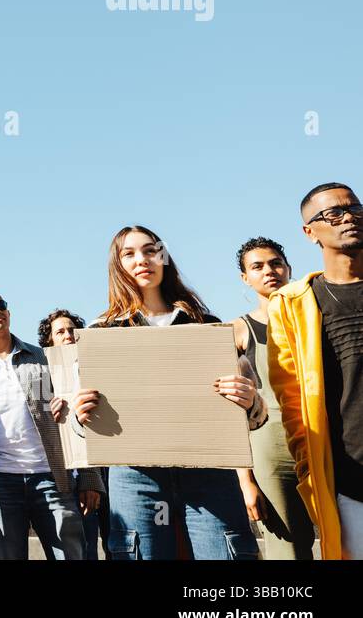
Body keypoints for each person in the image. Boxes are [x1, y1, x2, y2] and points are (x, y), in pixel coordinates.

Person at [71, 225, 265, 560]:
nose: (141, 260)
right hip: (135, 477)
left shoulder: (206, 324)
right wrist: (81, 415)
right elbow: (80, 422)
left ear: (164, 257)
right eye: (128, 254)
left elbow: (253, 413)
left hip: (209, 472)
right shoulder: (102, 333)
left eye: (149, 250)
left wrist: (249, 402)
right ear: (117, 266)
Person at [0, 289, 100, 560]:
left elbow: (80, 416)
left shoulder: (43, 358)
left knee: (72, 555)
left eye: (0, 305)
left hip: (52, 477)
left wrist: (90, 477)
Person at [268, 183, 363, 560]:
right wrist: (310, 470)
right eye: (333, 214)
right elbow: (291, 400)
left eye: (354, 208)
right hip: (349, 474)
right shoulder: (294, 305)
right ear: (310, 233)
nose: (349, 218)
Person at [231, 237, 315, 560]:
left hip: (322, 441)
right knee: (288, 549)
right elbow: (232, 409)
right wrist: (245, 481)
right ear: (245, 278)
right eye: (257, 266)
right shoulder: (240, 330)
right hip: (270, 449)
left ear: (288, 268)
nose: (269, 271)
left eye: (276, 263)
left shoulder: (314, 318)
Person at [36, 308, 105, 560]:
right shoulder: (40, 374)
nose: (68, 335)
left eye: (72, 330)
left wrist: (90, 479)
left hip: (99, 471)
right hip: (61, 480)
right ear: (49, 341)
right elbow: (36, 425)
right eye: (60, 331)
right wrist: (50, 416)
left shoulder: (95, 367)